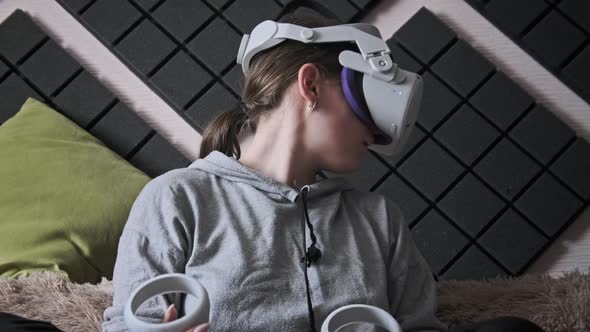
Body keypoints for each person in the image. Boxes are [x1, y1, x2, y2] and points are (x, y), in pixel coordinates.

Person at [100, 10, 545, 332]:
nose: (378, 130)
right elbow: (128, 325)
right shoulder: (179, 198)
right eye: (364, 100)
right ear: (310, 85)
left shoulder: (379, 220)